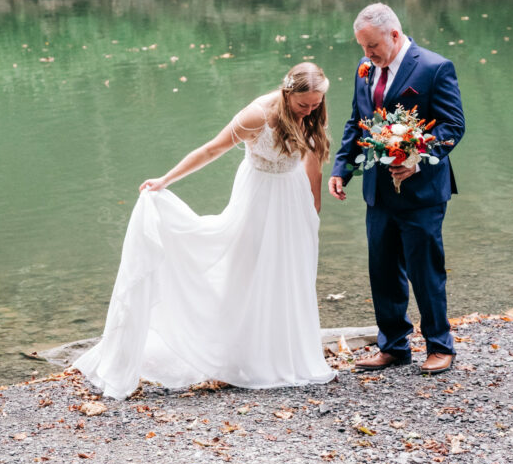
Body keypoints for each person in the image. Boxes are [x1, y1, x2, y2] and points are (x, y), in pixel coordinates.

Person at [73, 63, 335, 399]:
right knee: (248, 269)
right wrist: (166, 180)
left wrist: (313, 206)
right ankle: (240, 355)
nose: (310, 111)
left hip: (292, 198)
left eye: (315, 104)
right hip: (258, 199)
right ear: (287, 93)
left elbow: (312, 159)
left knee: (290, 273)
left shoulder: (313, 111)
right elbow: (212, 149)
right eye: (303, 105)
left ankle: (284, 352)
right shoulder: (256, 116)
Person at [328, 3, 465, 375]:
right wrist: (343, 167)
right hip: (378, 189)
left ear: (393, 34)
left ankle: (440, 345)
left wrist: (417, 156)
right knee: (383, 269)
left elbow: (453, 125)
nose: (366, 54)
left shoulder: (435, 67)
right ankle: (394, 346)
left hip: (421, 192)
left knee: (425, 271)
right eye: (362, 47)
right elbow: (357, 121)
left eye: (372, 46)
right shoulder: (364, 69)